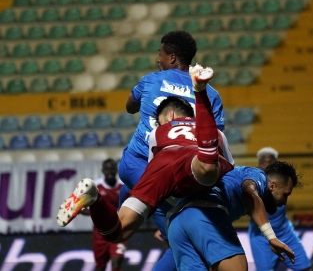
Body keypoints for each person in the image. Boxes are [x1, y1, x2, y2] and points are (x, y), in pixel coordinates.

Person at [56, 67, 233, 254]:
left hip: (160, 167)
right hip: (193, 162)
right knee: (207, 170)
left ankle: (95, 199)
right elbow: (227, 169)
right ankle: (200, 91)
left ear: (170, 115)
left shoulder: (157, 133)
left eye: (159, 119)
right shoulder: (214, 132)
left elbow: (155, 169)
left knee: (117, 233)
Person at [118, 30, 225, 270]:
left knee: (133, 206)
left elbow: (129, 105)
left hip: (136, 163)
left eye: (161, 54)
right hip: (178, 171)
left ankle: (116, 221)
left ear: (173, 58)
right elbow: (214, 138)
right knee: (181, 229)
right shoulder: (212, 95)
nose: (158, 59)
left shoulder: (151, 80)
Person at [167, 161, 299, 271]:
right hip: (203, 212)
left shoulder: (233, 193)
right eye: (285, 194)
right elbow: (249, 192)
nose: (284, 203)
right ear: (272, 186)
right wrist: (271, 237)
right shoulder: (259, 176)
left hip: (176, 221)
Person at [248, 147, 311, 271]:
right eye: (263, 163)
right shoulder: (252, 186)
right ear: (258, 164)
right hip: (261, 238)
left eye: (270, 162)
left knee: (305, 268)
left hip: (285, 233)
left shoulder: (283, 183)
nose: (266, 166)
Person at [80, 159, 126, 271]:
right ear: (102, 170)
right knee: (101, 267)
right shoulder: (94, 187)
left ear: (116, 170)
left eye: (112, 169)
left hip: (118, 230)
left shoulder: (123, 187)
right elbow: (81, 208)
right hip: (99, 233)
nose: (110, 172)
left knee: (116, 263)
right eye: (107, 169)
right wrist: (98, 214)